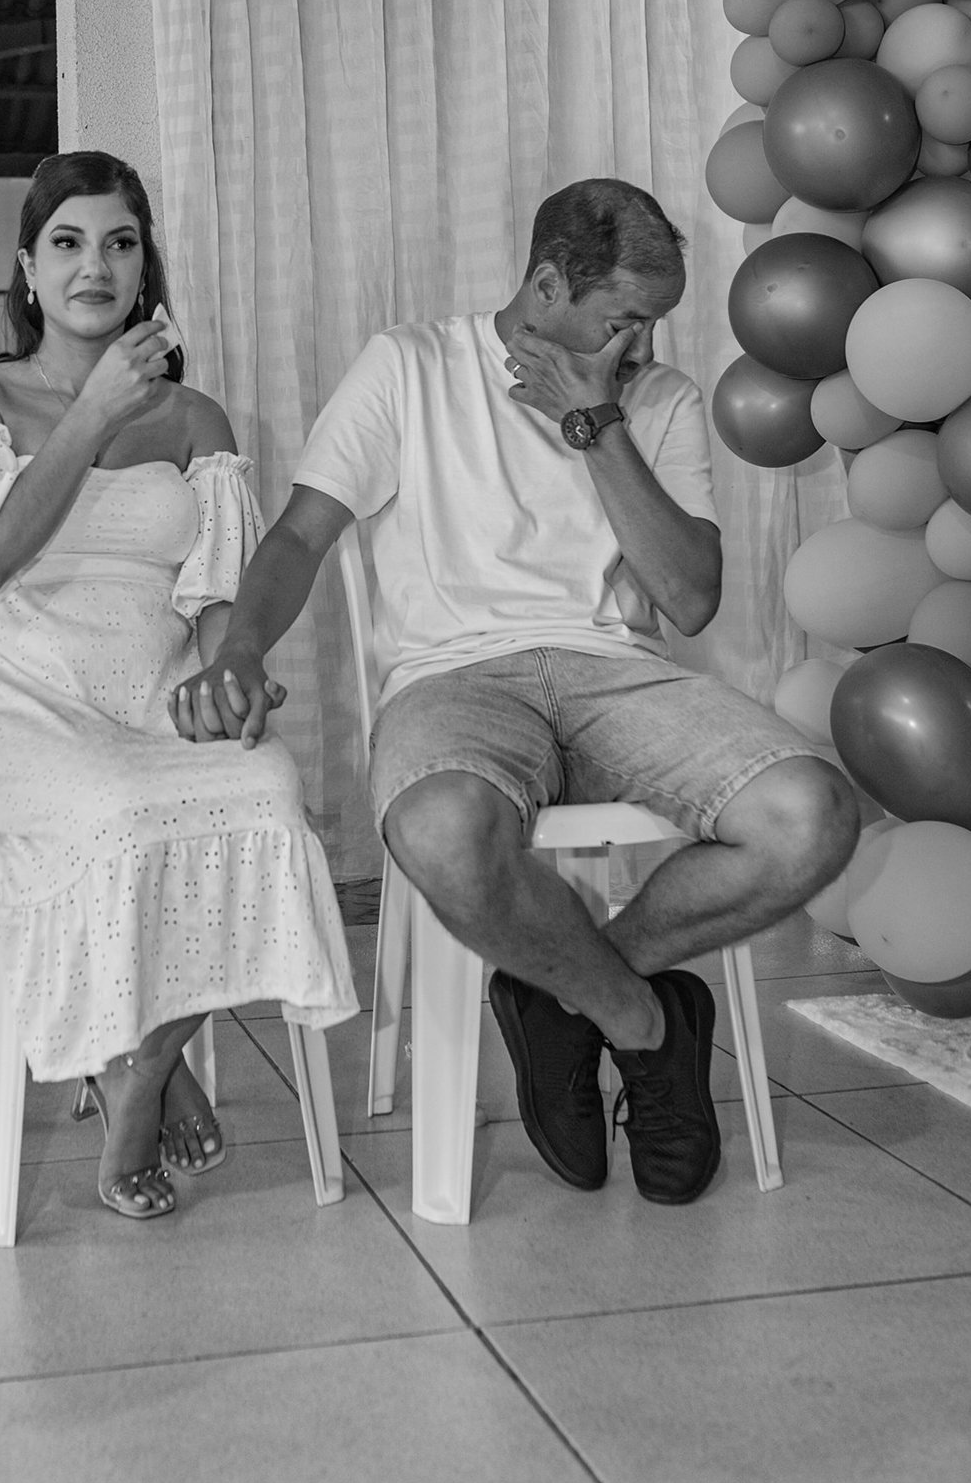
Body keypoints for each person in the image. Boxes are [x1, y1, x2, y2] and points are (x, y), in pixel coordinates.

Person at [172, 178, 859, 1208]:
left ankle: (557, 1001)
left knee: (813, 817)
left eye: (653, 322)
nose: (642, 343)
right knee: (442, 835)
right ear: (546, 286)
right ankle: (644, 1024)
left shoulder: (657, 401)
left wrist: (598, 423)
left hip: (620, 676)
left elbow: (689, 598)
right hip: (455, 679)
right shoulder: (410, 366)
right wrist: (238, 648)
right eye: (622, 318)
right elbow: (303, 533)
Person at [0, 150, 358, 1221]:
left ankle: (139, 1064)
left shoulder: (195, 418)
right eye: (68, 242)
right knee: (122, 807)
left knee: (265, 787)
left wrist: (230, 675)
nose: (96, 266)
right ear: (28, 268)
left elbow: (216, 598)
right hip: (22, 696)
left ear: (144, 265)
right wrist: (92, 413)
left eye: (120, 243)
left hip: (152, 690)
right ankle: (137, 1069)